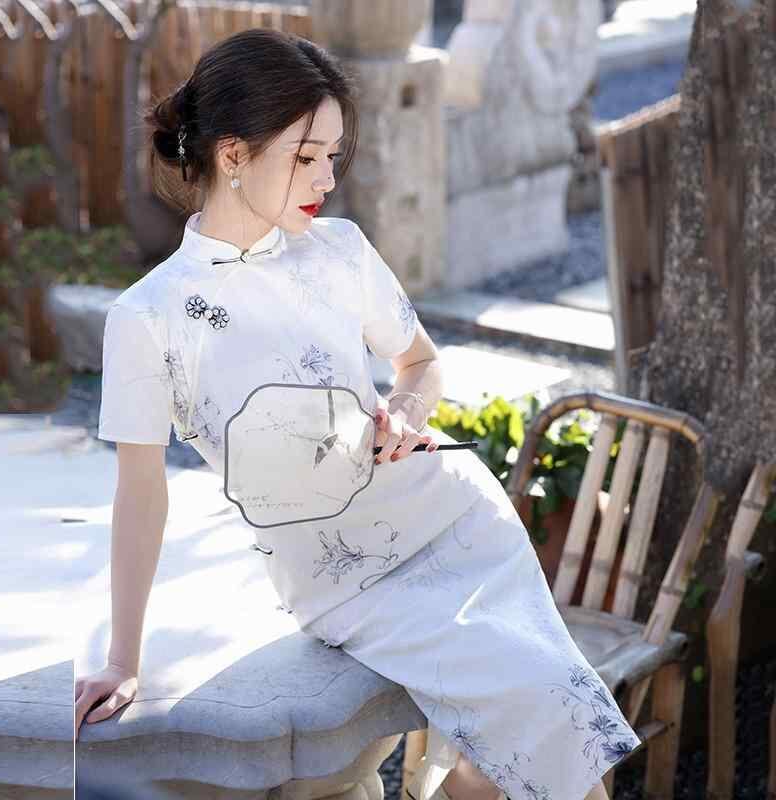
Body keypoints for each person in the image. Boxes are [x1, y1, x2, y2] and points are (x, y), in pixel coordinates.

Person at [74, 27, 642, 800]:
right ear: (233, 155)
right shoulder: (150, 316)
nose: (326, 178)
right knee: (547, 730)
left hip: (458, 524)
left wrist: (404, 411)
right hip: (350, 584)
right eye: (305, 157)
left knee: (542, 746)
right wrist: (123, 660)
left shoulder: (339, 250)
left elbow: (422, 364)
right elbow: (140, 493)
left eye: (333, 157)